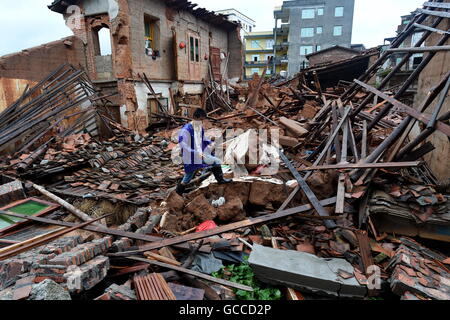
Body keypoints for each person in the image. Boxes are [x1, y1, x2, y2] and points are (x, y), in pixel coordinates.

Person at [176, 108, 232, 195]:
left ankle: (221, 180)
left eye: (203, 120)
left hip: (201, 154)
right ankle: (177, 194)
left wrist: (210, 142)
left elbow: (202, 139)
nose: (202, 122)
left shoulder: (199, 128)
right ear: (195, 117)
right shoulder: (186, 130)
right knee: (187, 177)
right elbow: (184, 146)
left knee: (216, 161)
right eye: (201, 120)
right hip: (190, 157)